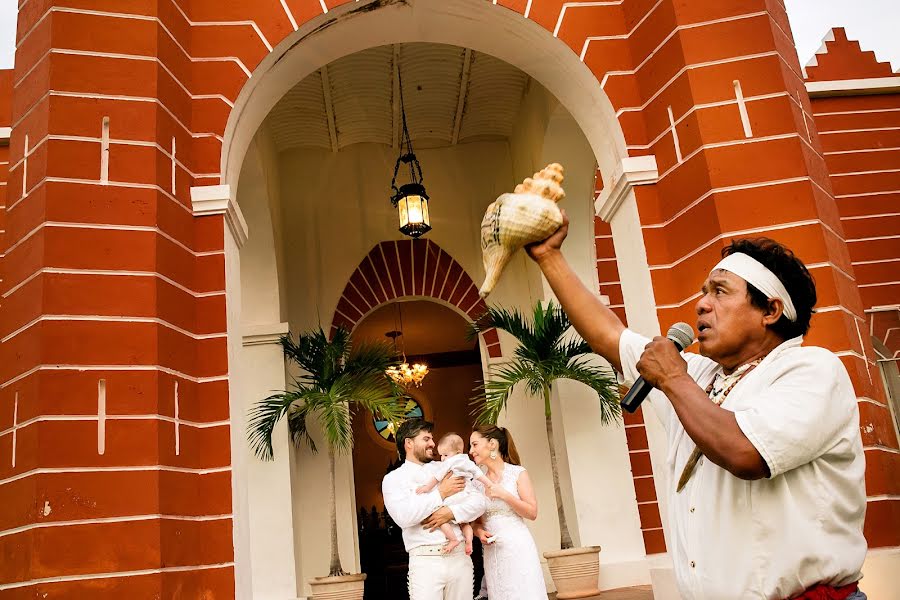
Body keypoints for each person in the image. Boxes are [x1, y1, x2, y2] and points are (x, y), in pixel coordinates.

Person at [526, 214, 867, 600]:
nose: (701, 305)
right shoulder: (700, 375)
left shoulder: (811, 370)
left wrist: (673, 379)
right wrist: (549, 257)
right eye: (704, 292)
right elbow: (610, 335)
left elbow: (746, 453)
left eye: (720, 292)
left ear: (770, 310)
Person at [382, 419, 488, 600]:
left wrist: (451, 513)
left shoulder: (449, 466)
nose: (433, 443)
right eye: (426, 439)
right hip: (425, 562)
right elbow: (404, 516)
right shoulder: (393, 479)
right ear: (409, 443)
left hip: (460, 559)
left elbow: (479, 502)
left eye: (432, 438)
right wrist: (441, 492)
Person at [469, 425, 547, 600]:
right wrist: (479, 532)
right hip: (492, 552)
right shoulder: (476, 483)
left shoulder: (518, 473)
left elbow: (532, 512)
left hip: (518, 547)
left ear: (492, 444)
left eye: (474, 444)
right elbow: (476, 522)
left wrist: (505, 495)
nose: (471, 451)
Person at [415, 433, 495, 555]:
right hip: (466, 494)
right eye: (441, 455)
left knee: (439, 518)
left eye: (445, 455)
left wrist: (427, 488)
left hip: (453, 496)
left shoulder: (449, 462)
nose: (442, 458)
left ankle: (453, 539)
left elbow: (436, 477)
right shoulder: (468, 462)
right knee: (465, 524)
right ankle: (469, 541)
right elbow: (479, 475)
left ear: (457, 453)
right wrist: (489, 484)